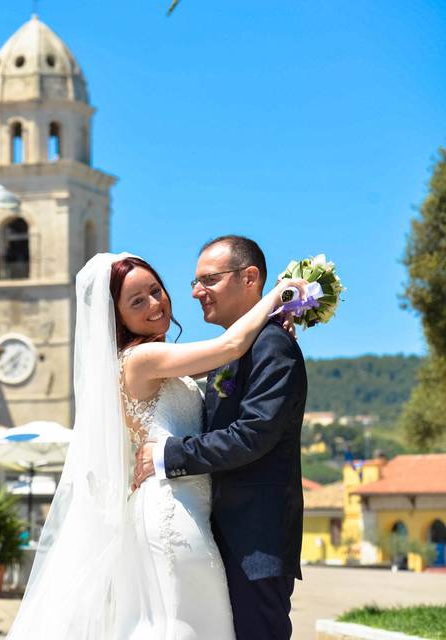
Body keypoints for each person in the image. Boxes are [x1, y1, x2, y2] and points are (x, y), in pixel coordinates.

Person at [5, 245, 306, 639]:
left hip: (197, 511)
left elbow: (233, 365)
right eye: (136, 301)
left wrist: (272, 324)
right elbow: (229, 347)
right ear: (117, 317)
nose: (154, 304)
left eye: (156, 290)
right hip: (171, 512)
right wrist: (278, 298)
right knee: (180, 623)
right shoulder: (141, 359)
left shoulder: (173, 361)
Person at [134, 237, 308, 639]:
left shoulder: (272, 345)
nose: (196, 292)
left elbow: (253, 434)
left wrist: (166, 455)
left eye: (209, 280)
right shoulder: (232, 348)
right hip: (215, 535)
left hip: (255, 540)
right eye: (195, 282)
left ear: (250, 278)